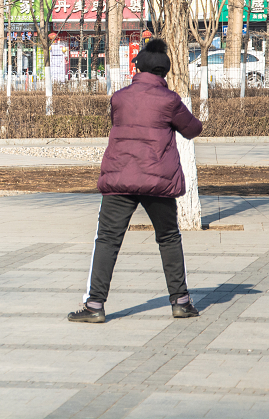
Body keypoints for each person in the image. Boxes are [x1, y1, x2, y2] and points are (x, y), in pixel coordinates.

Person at [68, 38, 203, 324]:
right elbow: (192, 129)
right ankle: (180, 302)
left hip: (120, 176)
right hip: (158, 180)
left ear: (138, 68)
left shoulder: (119, 98)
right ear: (164, 72)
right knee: (168, 238)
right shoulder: (170, 101)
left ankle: (94, 305)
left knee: (107, 239)